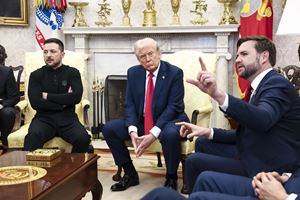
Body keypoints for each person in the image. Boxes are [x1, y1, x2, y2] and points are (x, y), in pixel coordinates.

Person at [177, 36, 300, 193]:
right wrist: (207, 132)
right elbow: (247, 132)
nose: (237, 60)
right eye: (237, 56)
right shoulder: (261, 85)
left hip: (269, 165)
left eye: (244, 54)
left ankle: (203, 194)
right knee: (202, 142)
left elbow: (263, 119)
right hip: (257, 149)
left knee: (194, 161)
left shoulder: (277, 84)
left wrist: (217, 94)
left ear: (264, 57)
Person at [102, 37, 189, 191]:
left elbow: (174, 107)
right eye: (143, 56)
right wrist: (133, 130)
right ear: (138, 59)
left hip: (170, 120)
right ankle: (130, 174)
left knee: (169, 134)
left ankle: (171, 177)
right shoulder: (134, 73)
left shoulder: (174, 73)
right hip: (144, 121)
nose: (148, 59)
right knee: (109, 128)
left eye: (151, 54)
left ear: (159, 53)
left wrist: (154, 133)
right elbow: (129, 104)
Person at [24, 38, 91, 153]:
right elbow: (36, 103)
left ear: (62, 54)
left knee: (83, 138)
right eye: (45, 52)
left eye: (53, 51)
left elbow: (76, 97)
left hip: (67, 118)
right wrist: (64, 102)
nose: (48, 55)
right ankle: (36, 170)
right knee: (32, 138)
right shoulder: (36, 75)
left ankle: (72, 168)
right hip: (43, 118)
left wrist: (47, 96)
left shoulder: (73, 73)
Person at [141, 167, 300, 200]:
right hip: (289, 187)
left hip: (283, 197)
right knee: (206, 178)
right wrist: (285, 178)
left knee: (161, 196)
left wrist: (282, 197)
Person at [0, 44, 20, 152]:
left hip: (3, 107)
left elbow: (14, 97)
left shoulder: (6, 72)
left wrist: (1, 104)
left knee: (8, 113)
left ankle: (5, 144)